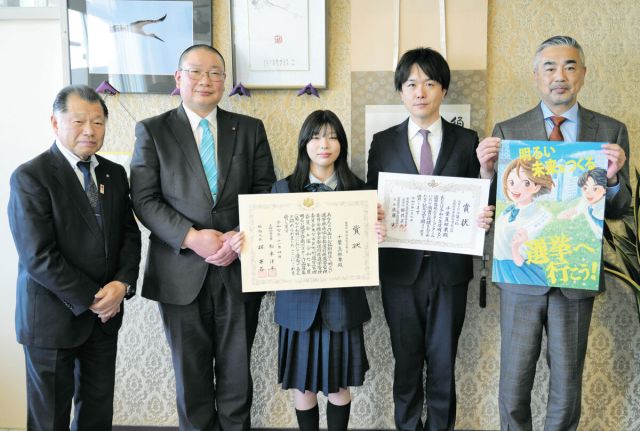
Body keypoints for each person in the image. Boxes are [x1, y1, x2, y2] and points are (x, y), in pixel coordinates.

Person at [477, 35, 631, 430]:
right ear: (536, 76)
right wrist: (486, 172)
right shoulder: (509, 130)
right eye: (549, 67)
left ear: (583, 74)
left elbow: (619, 210)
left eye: (569, 66)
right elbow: (494, 206)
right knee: (514, 383)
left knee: (566, 383)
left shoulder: (610, 131)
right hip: (520, 276)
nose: (559, 76)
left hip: (574, 277)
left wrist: (613, 180)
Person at [130, 44, 276, 431]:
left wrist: (236, 238)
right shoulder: (153, 130)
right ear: (178, 78)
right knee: (190, 376)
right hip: (178, 272)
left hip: (238, 266)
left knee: (237, 376)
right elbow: (144, 199)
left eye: (215, 73)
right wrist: (192, 237)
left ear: (225, 81)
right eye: (195, 72)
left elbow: (266, 191)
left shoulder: (249, 129)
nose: (205, 80)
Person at [366, 47, 495, 430]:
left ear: (443, 90)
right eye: (411, 84)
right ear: (401, 91)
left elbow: (480, 195)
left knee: (443, 362)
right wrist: (372, 218)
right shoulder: (383, 142)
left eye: (429, 83)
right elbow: (371, 199)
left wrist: (484, 206)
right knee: (405, 362)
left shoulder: (466, 140)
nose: (420, 92)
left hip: (449, 271)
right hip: (399, 272)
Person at [7, 84, 141, 430]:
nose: (89, 130)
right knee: (49, 419)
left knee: (97, 413)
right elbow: (39, 256)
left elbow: (129, 235)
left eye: (98, 122)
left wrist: (122, 284)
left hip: (104, 320)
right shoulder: (31, 176)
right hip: (51, 319)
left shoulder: (113, 174)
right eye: (79, 121)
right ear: (55, 122)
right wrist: (95, 298)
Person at [493, 158, 554, 285]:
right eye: (511, 182)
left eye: (526, 183)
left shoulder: (541, 216)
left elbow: (522, 259)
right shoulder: (507, 210)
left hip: (519, 271)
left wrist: (515, 247)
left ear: (536, 187)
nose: (515, 188)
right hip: (500, 266)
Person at [558, 168, 607, 237]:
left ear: (605, 189)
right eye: (585, 188)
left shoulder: (606, 207)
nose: (588, 192)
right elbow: (577, 209)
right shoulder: (585, 201)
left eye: (595, 189)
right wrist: (566, 214)